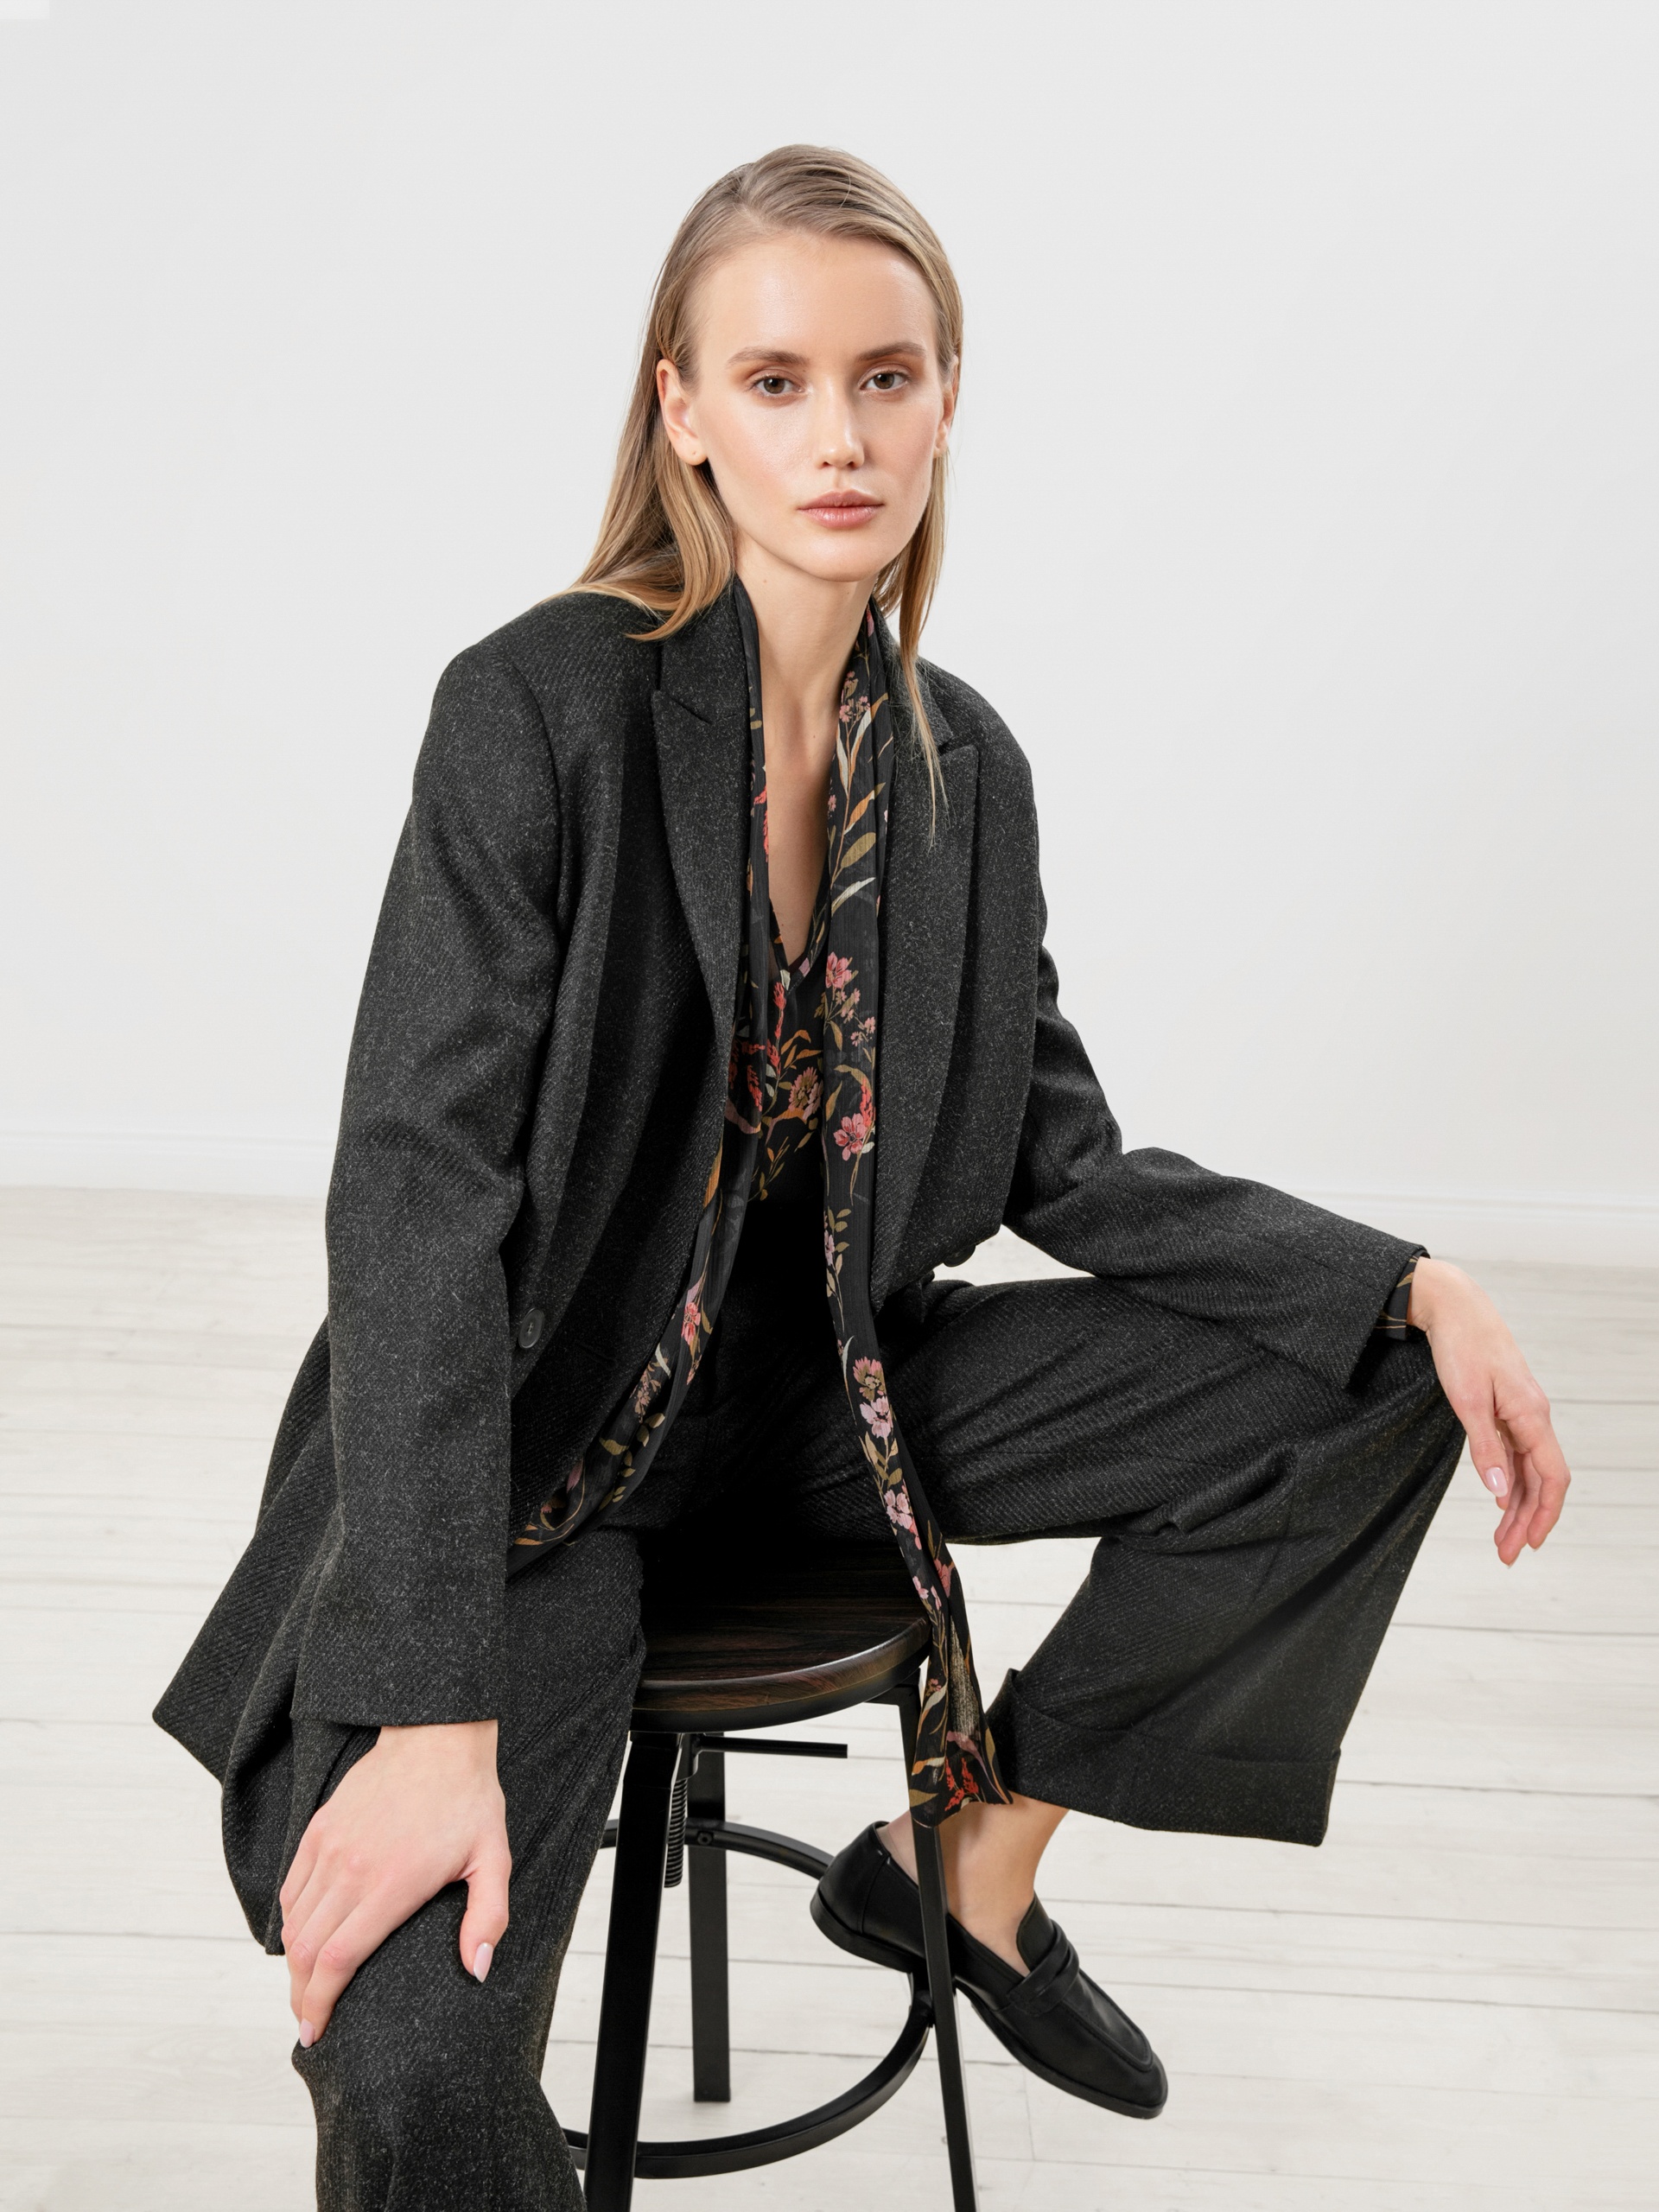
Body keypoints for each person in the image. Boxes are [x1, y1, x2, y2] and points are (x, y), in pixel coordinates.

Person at [155, 144, 1572, 2211]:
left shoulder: (962, 763)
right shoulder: (536, 710)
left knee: (1368, 1367)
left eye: (885, 378)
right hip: (530, 1477)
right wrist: (430, 1707)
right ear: (683, 412)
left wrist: (1417, 1280)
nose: (840, 435)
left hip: (835, 1409)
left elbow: (1062, 1155)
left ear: (947, 398)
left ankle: (965, 1861)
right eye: (778, 380)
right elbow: (413, 1211)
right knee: (421, 2080)